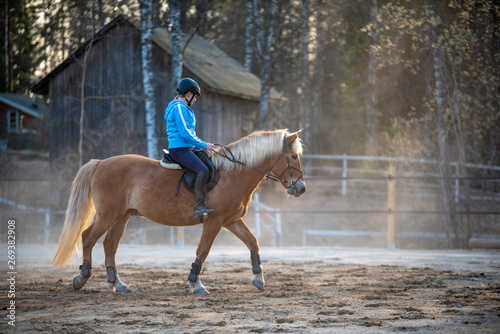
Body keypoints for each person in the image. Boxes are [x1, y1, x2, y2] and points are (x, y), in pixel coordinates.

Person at [164, 78, 216, 219]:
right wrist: (204, 145)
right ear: (188, 94)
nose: (195, 100)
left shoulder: (182, 108)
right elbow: (185, 133)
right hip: (180, 150)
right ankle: (199, 207)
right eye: (195, 97)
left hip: (188, 148)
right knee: (202, 170)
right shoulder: (179, 108)